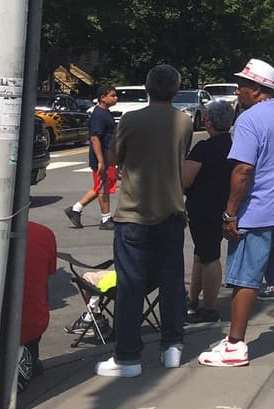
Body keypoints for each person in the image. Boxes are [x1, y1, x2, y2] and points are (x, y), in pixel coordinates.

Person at [199, 58, 274, 367]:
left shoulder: (249, 121)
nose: (237, 91)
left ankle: (235, 344)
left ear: (255, 89)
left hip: (258, 210)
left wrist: (230, 213)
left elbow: (243, 169)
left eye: (241, 86)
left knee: (245, 279)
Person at [96, 64, 192, 378]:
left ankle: (128, 356)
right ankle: (172, 346)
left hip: (134, 212)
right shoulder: (184, 121)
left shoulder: (130, 119)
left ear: (147, 89)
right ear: (176, 91)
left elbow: (114, 158)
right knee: (172, 281)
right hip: (171, 209)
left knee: (131, 284)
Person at [181, 100, 235, 324]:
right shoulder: (234, 145)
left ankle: (209, 308)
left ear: (208, 121)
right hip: (225, 205)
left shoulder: (204, 148)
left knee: (209, 257)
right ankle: (193, 299)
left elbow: (185, 180)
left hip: (204, 207)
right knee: (201, 254)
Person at [65, 85, 118, 229]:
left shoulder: (105, 113)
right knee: (103, 188)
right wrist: (101, 160)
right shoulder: (99, 114)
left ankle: (76, 209)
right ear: (103, 97)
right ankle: (105, 219)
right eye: (112, 95)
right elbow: (95, 138)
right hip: (102, 158)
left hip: (108, 156)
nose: (116, 98)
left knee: (102, 185)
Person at [18, 220, 58, 389]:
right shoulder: (44, 232)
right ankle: (30, 357)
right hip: (33, 323)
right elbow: (47, 275)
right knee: (40, 288)